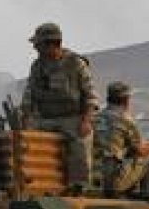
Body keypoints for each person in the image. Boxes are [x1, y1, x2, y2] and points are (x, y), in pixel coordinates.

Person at [20, 22, 97, 192]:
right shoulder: (37, 66)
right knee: (28, 144)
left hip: (72, 117)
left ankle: (79, 187)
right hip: (45, 118)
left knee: (79, 145)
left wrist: (86, 121)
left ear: (51, 44)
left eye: (38, 45)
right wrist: (25, 119)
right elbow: (29, 94)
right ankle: (36, 186)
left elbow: (90, 96)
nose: (36, 49)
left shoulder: (75, 63)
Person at [94, 81, 149, 199]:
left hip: (94, 177)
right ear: (126, 101)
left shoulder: (96, 117)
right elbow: (141, 151)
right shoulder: (125, 120)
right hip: (112, 181)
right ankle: (148, 202)